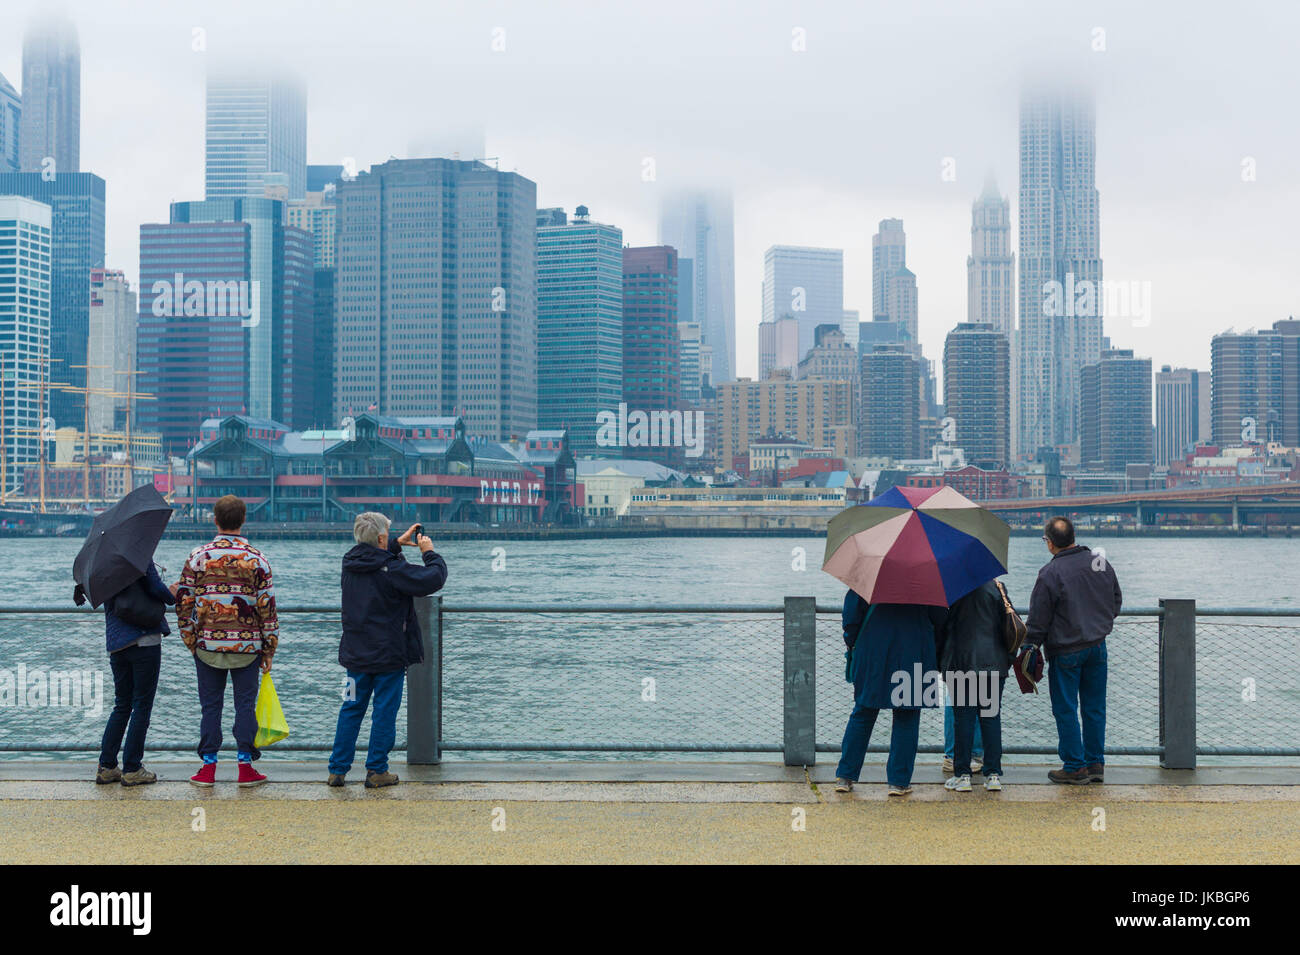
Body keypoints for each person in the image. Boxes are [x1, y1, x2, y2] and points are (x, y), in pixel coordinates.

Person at [328, 513, 447, 788]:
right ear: (381, 537)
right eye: (388, 534)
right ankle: (377, 770)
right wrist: (430, 553)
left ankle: (337, 769)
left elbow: (374, 561)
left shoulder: (349, 563)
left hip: (354, 657)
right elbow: (434, 578)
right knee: (384, 711)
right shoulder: (392, 569)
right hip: (388, 657)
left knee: (350, 708)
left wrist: (395, 544)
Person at [175, 494, 278, 788]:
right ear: (243, 520)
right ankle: (245, 768)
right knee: (245, 706)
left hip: (207, 646)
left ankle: (208, 768)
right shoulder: (258, 559)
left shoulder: (197, 557)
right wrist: (269, 648)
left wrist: (190, 638)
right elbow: (267, 608)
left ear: (215, 520)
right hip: (248, 647)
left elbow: (183, 602)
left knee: (210, 707)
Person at [1025, 516, 1122, 784]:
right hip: (1097, 646)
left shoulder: (1049, 573)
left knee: (1066, 708)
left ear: (1050, 543)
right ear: (1073, 537)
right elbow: (1116, 599)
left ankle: (1074, 766)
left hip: (1066, 650)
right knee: (1094, 707)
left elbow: (1038, 619)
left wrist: (1030, 646)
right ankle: (1095, 763)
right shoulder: (1098, 562)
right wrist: (1101, 624)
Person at [833, 589, 947, 796]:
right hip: (914, 652)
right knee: (907, 717)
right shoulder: (927, 581)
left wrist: (853, 643)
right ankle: (898, 782)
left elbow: (851, 620)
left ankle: (845, 776)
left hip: (873, 651)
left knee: (863, 712)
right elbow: (941, 621)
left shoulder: (869, 576)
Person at [86, 561, 176, 786]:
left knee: (122, 704)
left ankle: (107, 766)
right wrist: (173, 592)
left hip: (116, 643)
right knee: (142, 705)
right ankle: (133, 768)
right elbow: (157, 589)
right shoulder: (138, 557)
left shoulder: (101, 565)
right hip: (143, 639)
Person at [937, 580, 1014, 792]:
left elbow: (940, 629)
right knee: (991, 719)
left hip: (961, 664)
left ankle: (962, 775)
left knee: (963, 720)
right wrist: (1007, 659)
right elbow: (1009, 623)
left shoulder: (950, 590)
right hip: (993, 663)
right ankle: (993, 775)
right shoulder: (997, 587)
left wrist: (940, 663)